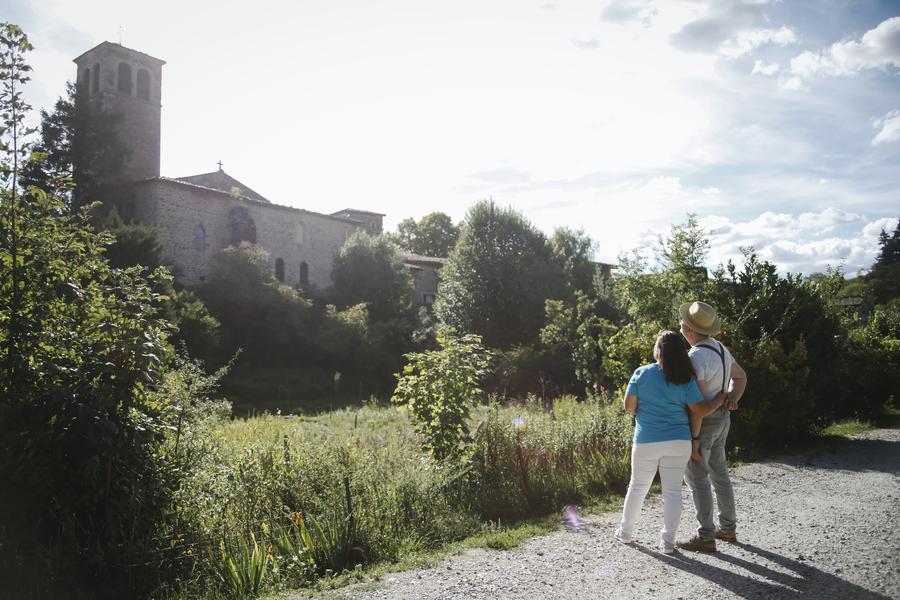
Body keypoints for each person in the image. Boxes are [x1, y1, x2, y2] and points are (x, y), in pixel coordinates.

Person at [615, 331, 726, 554]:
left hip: (646, 441)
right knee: (672, 492)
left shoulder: (641, 373)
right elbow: (701, 410)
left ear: (659, 351)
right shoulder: (685, 378)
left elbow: (629, 407)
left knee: (637, 487)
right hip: (679, 441)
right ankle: (667, 542)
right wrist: (719, 399)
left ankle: (625, 533)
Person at [676, 301, 748, 553]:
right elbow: (740, 377)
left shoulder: (695, 357)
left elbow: (696, 405)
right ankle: (728, 528)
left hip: (703, 421)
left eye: (684, 322)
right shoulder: (720, 349)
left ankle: (706, 536)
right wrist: (732, 397)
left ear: (689, 329)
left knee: (697, 478)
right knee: (720, 474)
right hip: (722, 419)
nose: (681, 325)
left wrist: (694, 439)